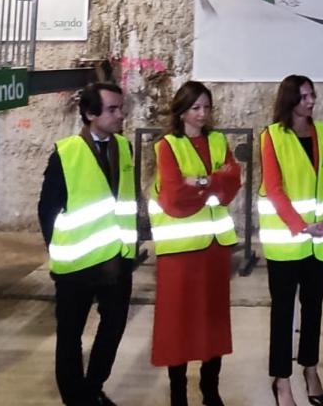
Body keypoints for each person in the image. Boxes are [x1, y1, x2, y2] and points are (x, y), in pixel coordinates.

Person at [36, 82, 136, 406]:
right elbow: (47, 210)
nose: (121, 115)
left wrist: (128, 251)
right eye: (113, 109)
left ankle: (92, 389)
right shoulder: (66, 153)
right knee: (70, 336)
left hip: (117, 260)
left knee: (113, 328)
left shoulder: (124, 147)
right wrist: (59, 250)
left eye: (121, 108)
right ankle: (76, 399)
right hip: (76, 265)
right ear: (91, 114)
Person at [149, 81, 241, 406]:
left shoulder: (217, 141)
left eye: (207, 107)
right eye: (196, 108)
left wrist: (201, 182)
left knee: (213, 322)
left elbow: (233, 183)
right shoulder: (167, 146)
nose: (203, 114)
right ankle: (178, 393)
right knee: (178, 325)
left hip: (215, 249)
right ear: (181, 111)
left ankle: (210, 390)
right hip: (180, 253)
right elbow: (174, 197)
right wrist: (214, 182)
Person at [259, 75, 323, 406]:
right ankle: (281, 381)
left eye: (312, 95)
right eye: (304, 96)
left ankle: (310, 369)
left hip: (319, 240)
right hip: (287, 241)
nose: (311, 101)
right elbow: (274, 189)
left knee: (313, 308)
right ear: (290, 100)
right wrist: (301, 225)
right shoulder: (272, 136)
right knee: (282, 313)